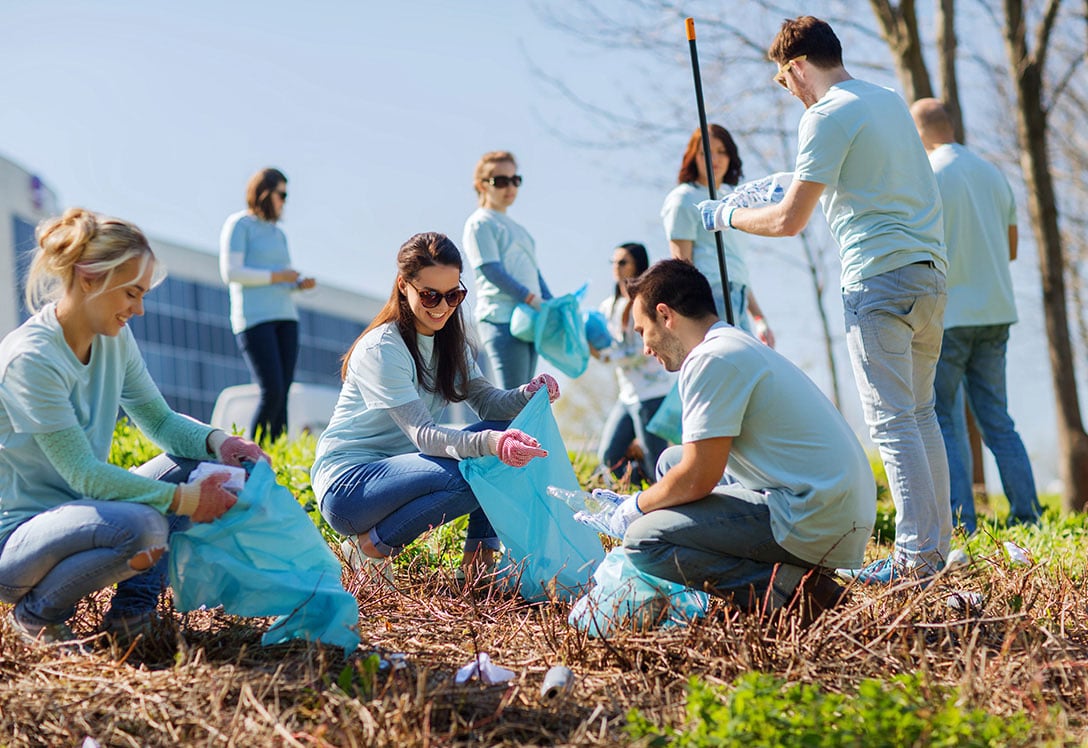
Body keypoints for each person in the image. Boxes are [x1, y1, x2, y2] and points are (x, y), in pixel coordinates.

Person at [699, 16, 950, 583]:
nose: (787, 94)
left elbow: (790, 222)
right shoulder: (885, 98)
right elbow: (860, 174)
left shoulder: (823, 115)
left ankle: (914, 560)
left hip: (877, 280)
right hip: (929, 275)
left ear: (798, 67)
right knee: (921, 414)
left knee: (892, 421)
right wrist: (786, 177)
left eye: (783, 82)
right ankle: (934, 551)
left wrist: (728, 216)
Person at [0, 208, 268, 645]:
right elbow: (83, 474)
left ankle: (131, 620)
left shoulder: (114, 338)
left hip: (87, 511)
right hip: (18, 540)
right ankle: (38, 615)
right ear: (88, 278)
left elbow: (159, 420)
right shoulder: (32, 359)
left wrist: (220, 443)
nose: (138, 309)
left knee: (211, 467)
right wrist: (184, 500)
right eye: (130, 293)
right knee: (143, 526)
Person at [583, 259, 874, 620]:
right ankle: (785, 576)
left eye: (643, 331)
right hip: (831, 504)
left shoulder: (711, 359)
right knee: (669, 462)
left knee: (645, 539)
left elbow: (698, 477)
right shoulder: (731, 344)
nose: (644, 347)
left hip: (815, 516)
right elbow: (689, 468)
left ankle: (795, 592)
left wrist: (637, 506)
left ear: (666, 315)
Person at [311, 232, 559, 583]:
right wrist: (490, 445)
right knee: (476, 472)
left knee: (503, 437)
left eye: (454, 294)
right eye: (429, 295)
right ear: (403, 285)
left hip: (402, 475)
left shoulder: (450, 344)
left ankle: (478, 565)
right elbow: (424, 436)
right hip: (350, 488)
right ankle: (370, 546)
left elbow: (489, 403)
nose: (442, 307)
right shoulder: (383, 348)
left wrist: (527, 393)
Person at [910, 98, 1041, 534]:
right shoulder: (992, 173)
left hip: (950, 315)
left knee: (943, 416)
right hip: (997, 311)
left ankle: (963, 522)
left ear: (922, 131)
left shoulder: (928, 176)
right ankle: (1029, 516)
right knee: (997, 419)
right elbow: (1012, 249)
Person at [220, 167, 316, 442]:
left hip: (286, 317)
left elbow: (283, 278)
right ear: (264, 193)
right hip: (254, 319)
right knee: (271, 390)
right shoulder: (240, 225)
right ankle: (253, 456)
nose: (284, 201)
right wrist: (277, 276)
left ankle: (277, 457)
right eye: (281, 194)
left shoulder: (278, 234)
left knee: (283, 391)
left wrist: (297, 283)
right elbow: (231, 272)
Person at [661, 125, 774, 344]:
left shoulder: (733, 201)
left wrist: (759, 317)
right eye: (705, 152)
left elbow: (736, 266)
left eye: (722, 151)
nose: (715, 159)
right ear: (693, 156)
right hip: (710, 296)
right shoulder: (684, 199)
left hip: (738, 295)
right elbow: (682, 266)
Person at [462, 151, 553, 388]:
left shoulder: (520, 229)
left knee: (524, 398)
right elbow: (490, 269)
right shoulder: (480, 222)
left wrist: (550, 302)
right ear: (481, 185)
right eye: (501, 181)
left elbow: (534, 272)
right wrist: (530, 297)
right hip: (501, 318)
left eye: (515, 180)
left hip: (530, 319)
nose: (510, 187)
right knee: (512, 399)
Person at [593, 242, 675, 485]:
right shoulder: (608, 306)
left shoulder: (647, 301)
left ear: (637, 265)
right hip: (627, 394)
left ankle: (666, 500)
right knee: (609, 456)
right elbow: (606, 342)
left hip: (651, 392)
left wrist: (608, 356)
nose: (616, 267)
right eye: (613, 262)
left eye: (622, 262)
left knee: (656, 460)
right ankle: (646, 494)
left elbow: (645, 347)